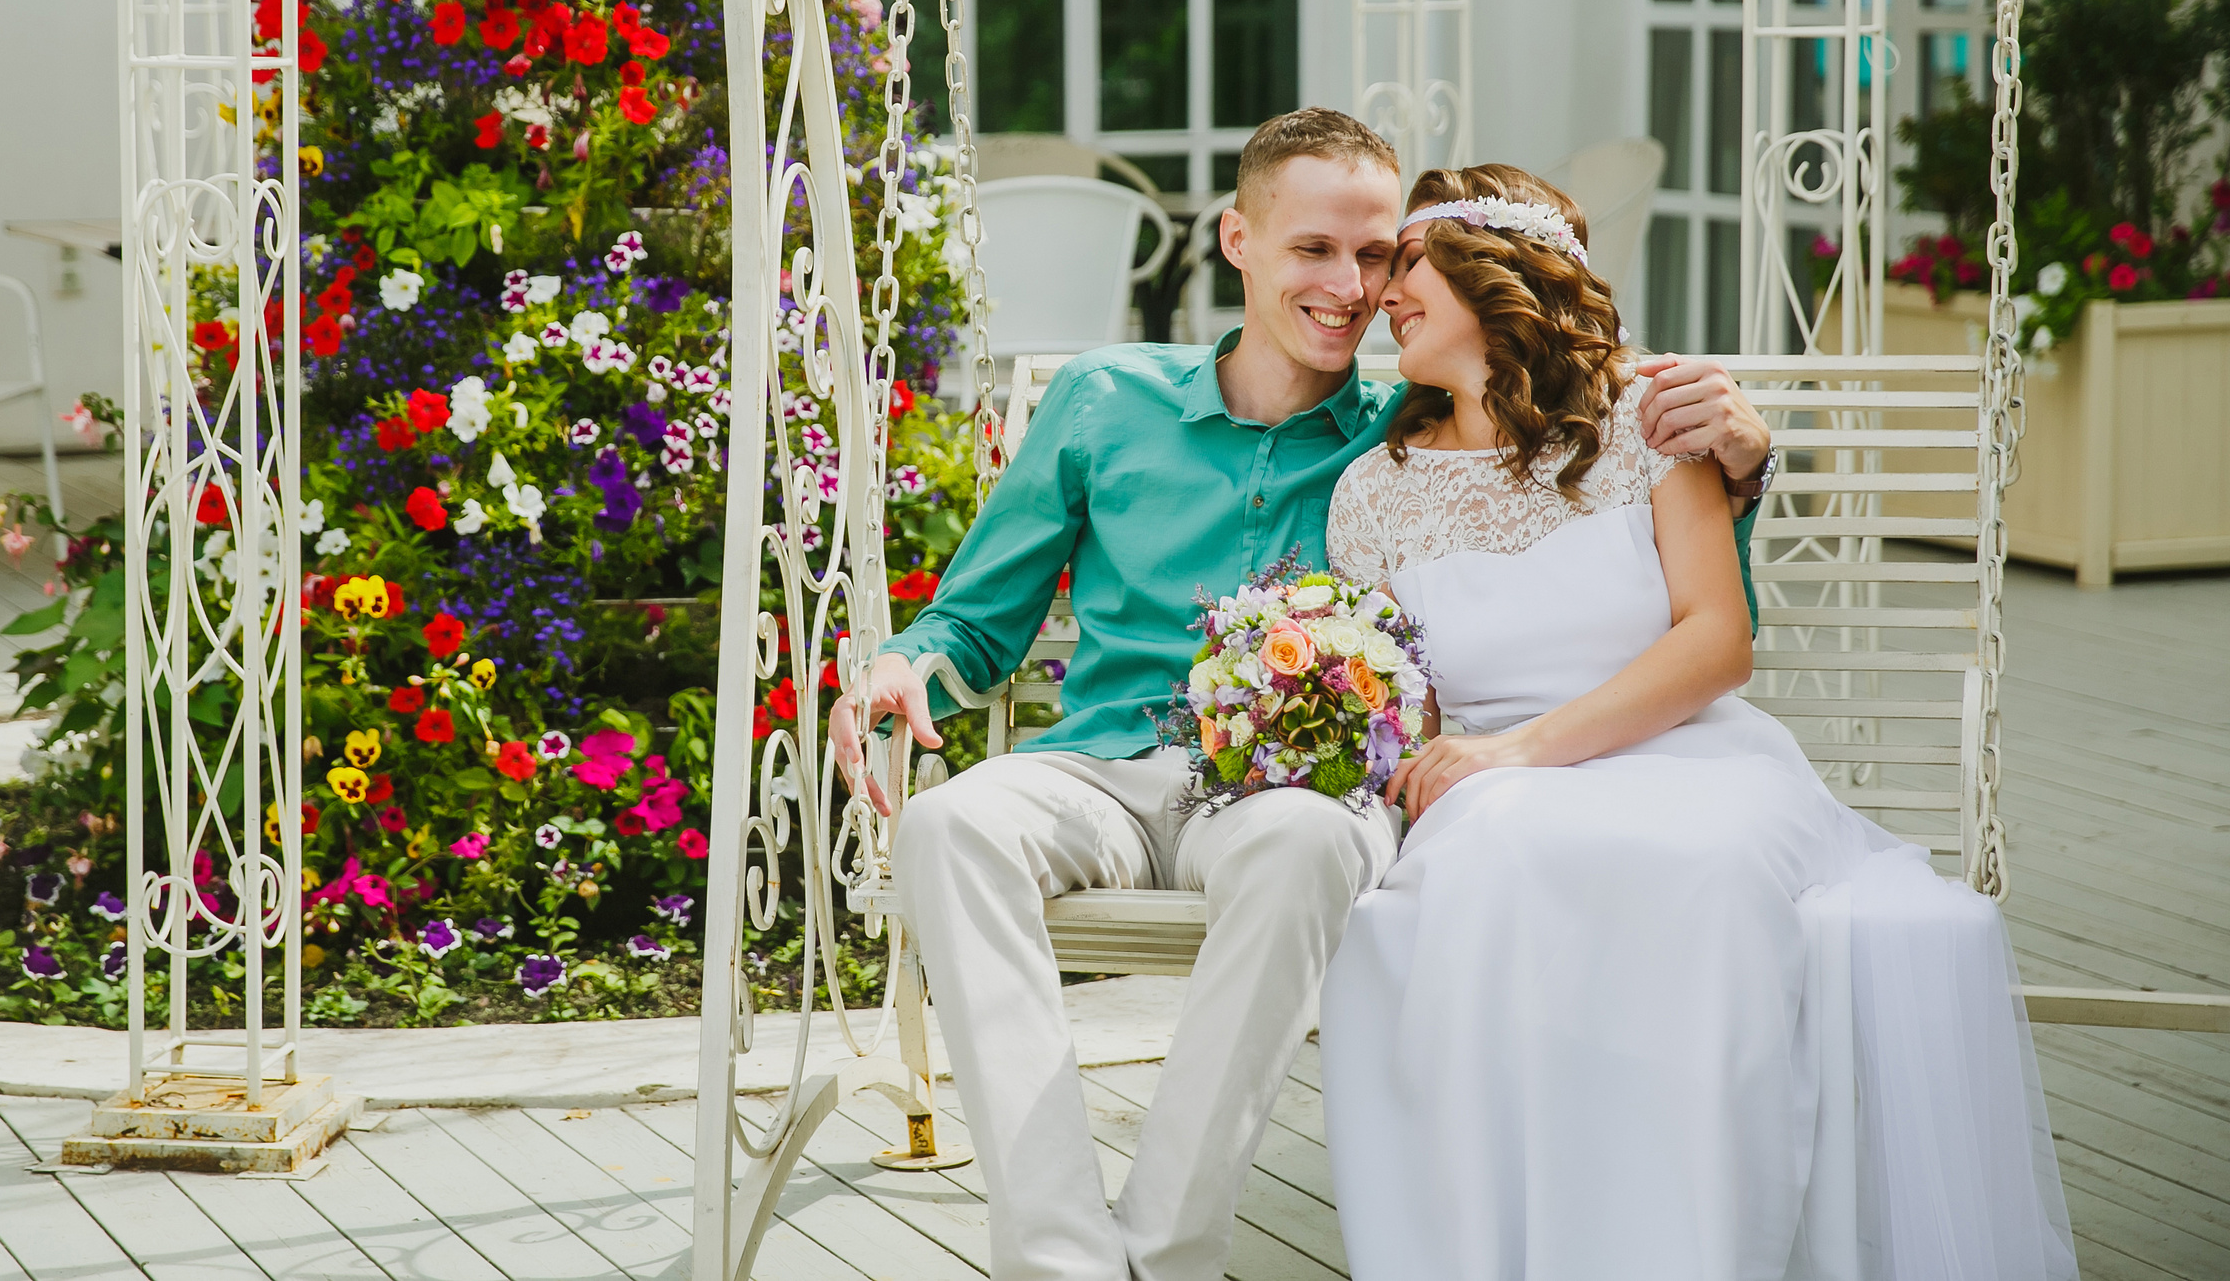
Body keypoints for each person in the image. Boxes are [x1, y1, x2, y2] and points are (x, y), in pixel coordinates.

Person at [831, 109, 1777, 1281]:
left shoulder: (1410, 430)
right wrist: (906, 662)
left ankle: (1170, 1252)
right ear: (1237, 238)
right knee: (946, 824)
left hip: (1287, 784)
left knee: (1307, 846)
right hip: (1103, 769)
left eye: (1377, 257)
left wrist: (1742, 456)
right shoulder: (1100, 398)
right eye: (1314, 250)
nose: (1351, 287)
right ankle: (1063, 1260)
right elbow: (975, 620)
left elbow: (1569, 447)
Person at [1319, 163, 2076, 1280]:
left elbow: (1716, 639)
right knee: (1484, 858)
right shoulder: (1371, 491)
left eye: (1405, 264)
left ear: (1496, 271)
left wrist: (1515, 751)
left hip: (1685, 755)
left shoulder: (1645, 423)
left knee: (1691, 869)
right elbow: (1407, 701)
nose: (1381, 292)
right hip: (1490, 788)